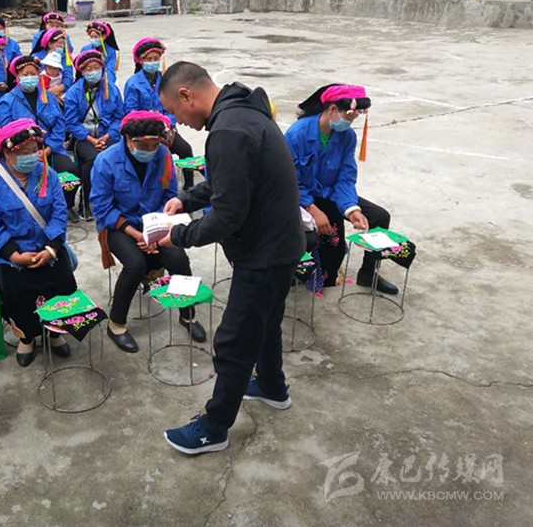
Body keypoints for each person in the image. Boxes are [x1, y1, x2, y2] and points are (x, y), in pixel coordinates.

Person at [156, 62, 305, 455]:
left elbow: (228, 215)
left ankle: (214, 428)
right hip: (282, 244)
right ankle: (272, 386)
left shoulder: (228, 130)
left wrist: (178, 235)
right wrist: (186, 200)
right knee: (266, 323)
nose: (178, 122)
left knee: (234, 341)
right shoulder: (243, 113)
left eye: (173, 111)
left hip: (264, 253)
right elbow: (230, 183)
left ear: (187, 95)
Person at [91, 111, 206, 353]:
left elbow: (169, 196)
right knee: (135, 264)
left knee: (178, 257)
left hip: (155, 222)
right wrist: (137, 235)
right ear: (127, 139)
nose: (150, 150)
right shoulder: (106, 161)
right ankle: (116, 324)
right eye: (144, 145)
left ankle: (188, 314)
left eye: (155, 144)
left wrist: (157, 230)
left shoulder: (163, 155)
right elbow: (102, 208)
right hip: (119, 225)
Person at [0, 119, 75, 367]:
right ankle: (27, 337)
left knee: (63, 281)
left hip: (46, 245)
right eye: (25, 152)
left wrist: (50, 249)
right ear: (8, 153)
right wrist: (15, 255)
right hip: (10, 252)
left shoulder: (48, 174)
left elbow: (59, 213)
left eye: (35, 150)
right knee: (17, 290)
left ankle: (55, 332)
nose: (33, 156)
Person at [284, 84, 396, 294]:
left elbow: (345, 177)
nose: (350, 122)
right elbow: (288, 181)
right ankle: (295, 271)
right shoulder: (297, 134)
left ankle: (368, 273)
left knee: (379, 217)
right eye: (349, 116)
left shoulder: (347, 136)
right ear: (332, 109)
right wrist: (312, 209)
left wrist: (351, 209)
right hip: (301, 197)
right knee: (321, 239)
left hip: (330, 193)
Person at [0, 55, 79, 217]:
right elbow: (5, 132)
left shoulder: (48, 97)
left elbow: (59, 126)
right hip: (22, 151)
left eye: (33, 73)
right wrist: (29, 151)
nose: (29, 77)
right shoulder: (7, 101)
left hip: (50, 148)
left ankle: (66, 205)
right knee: (30, 175)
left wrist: (48, 150)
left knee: (69, 171)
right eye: (25, 74)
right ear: (17, 76)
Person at [124, 38, 196, 190]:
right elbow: (131, 111)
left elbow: (175, 107)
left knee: (185, 149)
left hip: (165, 128)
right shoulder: (133, 83)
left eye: (156, 59)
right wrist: (149, 122)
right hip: (144, 129)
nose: (153, 62)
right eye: (149, 59)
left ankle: (189, 186)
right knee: (151, 155)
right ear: (141, 61)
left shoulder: (167, 81)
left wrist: (166, 122)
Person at [64, 49, 123, 220]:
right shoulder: (74, 92)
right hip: (83, 137)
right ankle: (85, 203)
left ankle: (116, 199)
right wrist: (90, 139)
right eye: (88, 69)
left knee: (118, 155)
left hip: (107, 135)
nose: (93, 72)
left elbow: (119, 117)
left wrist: (107, 136)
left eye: (96, 67)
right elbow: (71, 122)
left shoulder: (111, 89)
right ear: (81, 71)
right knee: (91, 159)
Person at [31, 29, 73, 100]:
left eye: (63, 43)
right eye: (59, 43)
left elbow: (69, 77)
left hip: (61, 92)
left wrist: (59, 89)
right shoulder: (36, 57)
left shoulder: (65, 58)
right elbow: (34, 77)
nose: (61, 46)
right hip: (41, 92)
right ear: (50, 44)